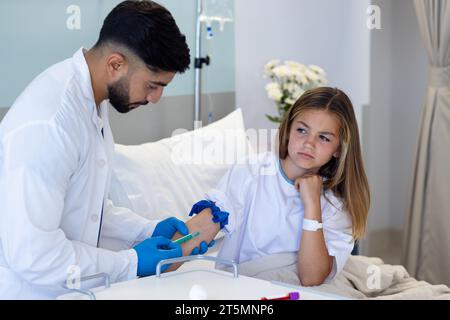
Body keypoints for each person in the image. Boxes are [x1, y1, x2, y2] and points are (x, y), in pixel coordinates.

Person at [0, 0, 211, 299]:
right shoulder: (50, 124)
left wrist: (145, 230)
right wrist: (131, 262)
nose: (156, 99)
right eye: (152, 85)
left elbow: (86, 204)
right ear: (115, 64)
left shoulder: (92, 98)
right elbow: (34, 255)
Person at [188, 87, 371, 286]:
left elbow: (312, 277)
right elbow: (201, 228)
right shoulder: (250, 171)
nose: (309, 144)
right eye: (302, 130)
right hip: (243, 285)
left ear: (338, 148)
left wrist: (312, 206)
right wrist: (158, 259)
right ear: (288, 130)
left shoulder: (336, 203)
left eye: (323, 137)